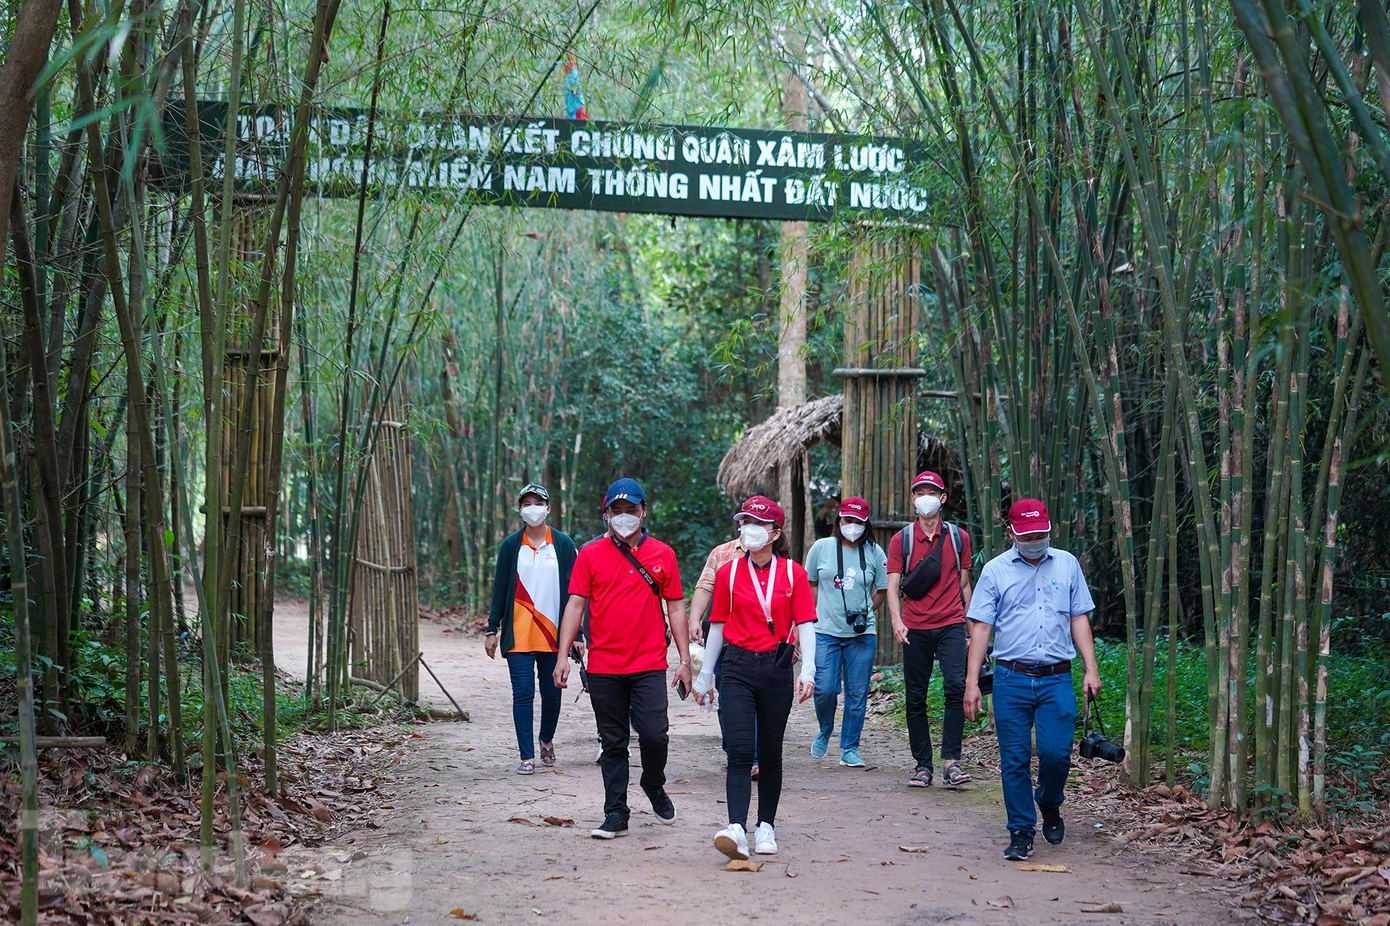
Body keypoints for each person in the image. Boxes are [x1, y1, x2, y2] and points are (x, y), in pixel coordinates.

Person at [964, 499, 1102, 861]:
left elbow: (1078, 618)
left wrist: (1091, 668)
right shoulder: (995, 571)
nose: (1034, 541)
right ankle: (1021, 831)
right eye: (1027, 536)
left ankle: (1049, 800)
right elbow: (982, 628)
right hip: (1011, 677)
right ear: (1011, 533)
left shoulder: (1067, 564)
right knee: (1015, 758)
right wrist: (972, 681)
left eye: (1040, 534)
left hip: (1057, 677)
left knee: (1057, 753)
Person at [553, 478, 692, 840]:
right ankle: (615, 813)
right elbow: (575, 605)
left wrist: (684, 659)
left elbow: (676, 607)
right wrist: (562, 655)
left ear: (644, 511)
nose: (625, 516)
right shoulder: (590, 554)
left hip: (649, 664)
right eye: (617, 510)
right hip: (604, 667)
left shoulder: (663, 554)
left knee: (655, 735)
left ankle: (653, 782)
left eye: (632, 509)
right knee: (612, 741)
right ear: (606, 515)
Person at [693, 496, 817, 860]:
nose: (750, 529)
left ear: (775, 533)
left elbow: (806, 624)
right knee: (739, 751)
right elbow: (717, 626)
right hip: (736, 666)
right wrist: (704, 677)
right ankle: (736, 827)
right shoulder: (729, 572)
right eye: (746, 522)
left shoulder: (793, 573)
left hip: (777, 667)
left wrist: (808, 671)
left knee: (771, 752)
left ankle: (766, 826)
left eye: (759, 524)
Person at [886, 471, 974, 789]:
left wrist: (971, 629)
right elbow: (892, 586)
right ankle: (923, 765)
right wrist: (897, 621)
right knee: (915, 696)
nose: (926, 498)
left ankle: (951, 762)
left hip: (951, 622)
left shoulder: (959, 537)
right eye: (920, 493)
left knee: (955, 687)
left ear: (942, 498)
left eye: (932, 493)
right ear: (913, 499)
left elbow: (965, 584)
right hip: (916, 626)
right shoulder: (902, 540)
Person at [485, 483, 577, 775]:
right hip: (519, 635)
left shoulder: (563, 545)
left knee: (552, 694)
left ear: (548, 508)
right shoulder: (511, 546)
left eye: (538, 503)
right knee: (522, 694)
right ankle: (526, 755)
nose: (533, 508)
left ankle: (546, 739)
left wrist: (578, 635)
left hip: (554, 635)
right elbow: (500, 588)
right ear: (520, 510)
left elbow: (576, 594)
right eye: (527, 504)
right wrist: (492, 628)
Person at [803, 496, 888, 768]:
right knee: (825, 689)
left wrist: (866, 609)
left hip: (862, 635)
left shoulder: (875, 552)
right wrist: (819, 610)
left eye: (858, 521)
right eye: (847, 520)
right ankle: (825, 729)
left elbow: (883, 589)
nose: (852, 525)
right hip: (826, 631)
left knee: (857, 693)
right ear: (839, 520)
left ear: (866, 523)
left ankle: (850, 747)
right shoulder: (821, 547)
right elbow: (810, 582)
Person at [686, 527, 759, 779]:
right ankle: (736, 752)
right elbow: (705, 587)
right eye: (747, 521)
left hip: (762, 638)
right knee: (728, 696)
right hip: (723, 637)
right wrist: (694, 619)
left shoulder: (777, 555)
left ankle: (755, 757)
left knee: (759, 699)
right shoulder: (721, 553)